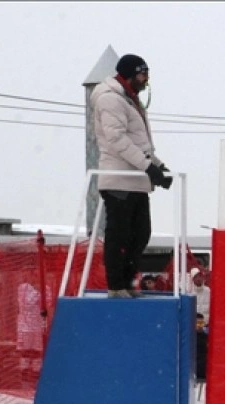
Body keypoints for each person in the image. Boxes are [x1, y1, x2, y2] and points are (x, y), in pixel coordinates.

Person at [90, 54, 172, 298]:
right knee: (119, 235)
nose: (146, 79)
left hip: (136, 180)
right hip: (119, 178)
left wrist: (159, 166)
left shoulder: (130, 100)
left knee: (141, 234)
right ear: (128, 75)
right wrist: (149, 168)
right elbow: (117, 140)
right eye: (141, 74)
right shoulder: (111, 100)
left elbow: (140, 143)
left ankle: (127, 282)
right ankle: (115, 286)